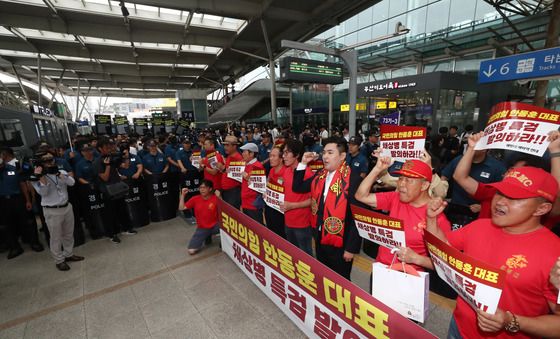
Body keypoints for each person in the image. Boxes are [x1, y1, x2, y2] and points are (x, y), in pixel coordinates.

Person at [427, 167, 560, 339]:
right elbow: (440, 249)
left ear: (541, 209)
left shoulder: (554, 254)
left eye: (513, 198)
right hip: (459, 328)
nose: (500, 202)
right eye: (499, 193)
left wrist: (509, 320)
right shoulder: (480, 226)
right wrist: (431, 219)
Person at [355, 155, 452, 272]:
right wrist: (377, 169)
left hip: (408, 280)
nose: (401, 184)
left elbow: (446, 264)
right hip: (380, 270)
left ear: (424, 185)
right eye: (401, 178)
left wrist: (417, 259)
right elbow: (361, 196)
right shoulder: (396, 198)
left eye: (408, 180)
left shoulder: (436, 218)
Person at [293, 137, 361, 280]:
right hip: (319, 237)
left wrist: (351, 248)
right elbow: (297, 187)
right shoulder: (320, 175)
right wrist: (303, 163)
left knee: (341, 280)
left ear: (342, 156)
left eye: (330, 153)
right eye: (324, 153)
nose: (325, 157)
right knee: (324, 276)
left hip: (341, 242)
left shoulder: (353, 179)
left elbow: (358, 217)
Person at [442, 132, 506, 229]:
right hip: (456, 208)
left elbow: (500, 193)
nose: (470, 146)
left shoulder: (497, 167)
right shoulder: (458, 160)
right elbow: (444, 177)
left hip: (478, 213)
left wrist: (484, 207)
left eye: (476, 144)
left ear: (485, 149)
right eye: (469, 143)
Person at [31, 152, 84, 271]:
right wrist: (42, 178)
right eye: (46, 161)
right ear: (41, 163)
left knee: (68, 233)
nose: (50, 163)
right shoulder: (35, 177)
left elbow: (72, 183)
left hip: (66, 207)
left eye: (51, 160)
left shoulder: (61, 172)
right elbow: (43, 193)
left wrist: (60, 174)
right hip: (52, 211)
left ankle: (69, 254)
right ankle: (59, 260)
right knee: (55, 237)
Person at [0, 147, 43, 259]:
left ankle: (34, 242)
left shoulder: (14, 168)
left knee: (28, 221)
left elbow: (23, 184)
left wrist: (28, 200)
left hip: (18, 198)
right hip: (3, 201)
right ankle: (15, 247)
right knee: (7, 225)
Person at [281, 139, 313, 256]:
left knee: (306, 255)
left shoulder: (307, 173)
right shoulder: (286, 170)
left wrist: (292, 205)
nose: (283, 156)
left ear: (297, 155)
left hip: (302, 224)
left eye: (287, 153)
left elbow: (312, 201)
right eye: (283, 153)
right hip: (288, 221)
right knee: (293, 253)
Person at [178, 179, 219, 255]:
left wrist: (220, 197)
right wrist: (182, 195)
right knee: (191, 251)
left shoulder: (215, 198)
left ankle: (213, 237)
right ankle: (207, 236)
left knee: (227, 229)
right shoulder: (195, 199)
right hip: (202, 228)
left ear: (210, 189)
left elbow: (224, 210)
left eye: (204, 187)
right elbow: (181, 208)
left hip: (216, 226)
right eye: (200, 188)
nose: (202, 190)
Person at [264, 146, 286, 238]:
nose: (270, 158)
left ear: (281, 159)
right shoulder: (272, 170)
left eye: (274, 156)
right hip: (269, 207)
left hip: (281, 212)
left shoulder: (286, 172)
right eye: (270, 156)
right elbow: (268, 183)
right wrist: (265, 192)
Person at [240, 143, 265, 223]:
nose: (242, 154)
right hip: (246, 203)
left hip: (252, 205)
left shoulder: (257, 166)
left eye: (244, 152)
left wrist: (248, 179)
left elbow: (260, 186)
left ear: (251, 154)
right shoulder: (246, 164)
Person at [217, 135, 243, 209]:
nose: (225, 147)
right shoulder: (230, 156)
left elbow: (238, 176)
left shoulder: (238, 158)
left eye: (227, 145)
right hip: (227, 191)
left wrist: (223, 168)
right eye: (224, 145)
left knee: (233, 214)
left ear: (234, 146)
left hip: (233, 192)